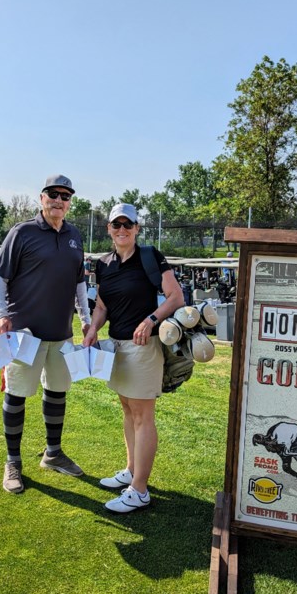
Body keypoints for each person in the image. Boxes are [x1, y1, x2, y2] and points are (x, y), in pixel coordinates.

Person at [0, 174, 92, 494]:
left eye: (65, 196)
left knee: (58, 392)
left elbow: (79, 284)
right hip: (24, 333)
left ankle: (53, 453)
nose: (59, 200)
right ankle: (13, 462)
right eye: (53, 194)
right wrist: (1, 315)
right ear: (42, 197)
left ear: (69, 201)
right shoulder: (22, 232)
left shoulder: (75, 235)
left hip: (61, 334)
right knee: (17, 395)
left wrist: (86, 319)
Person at [81, 203, 185, 513]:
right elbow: (101, 306)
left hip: (144, 347)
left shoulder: (150, 257)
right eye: (117, 225)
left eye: (128, 225)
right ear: (109, 230)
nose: (122, 230)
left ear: (137, 229)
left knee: (142, 416)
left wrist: (151, 319)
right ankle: (131, 470)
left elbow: (175, 297)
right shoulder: (104, 264)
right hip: (117, 346)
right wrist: (93, 329)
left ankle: (139, 489)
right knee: (127, 409)